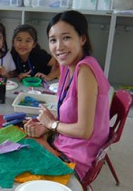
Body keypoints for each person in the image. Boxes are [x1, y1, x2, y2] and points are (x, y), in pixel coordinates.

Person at [24, 10, 111, 180]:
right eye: (53, 40)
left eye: (66, 38)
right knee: (22, 138)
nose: (59, 46)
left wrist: (52, 124)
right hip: (65, 144)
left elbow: (84, 131)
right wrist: (47, 125)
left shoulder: (85, 71)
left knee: (14, 155)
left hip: (74, 160)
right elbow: (73, 114)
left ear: (82, 39)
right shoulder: (67, 66)